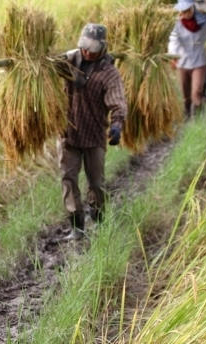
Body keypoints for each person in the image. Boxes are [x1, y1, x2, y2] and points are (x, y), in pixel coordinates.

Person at [58, 23, 127, 240]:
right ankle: (77, 226)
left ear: (103, 48)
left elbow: (118, 103)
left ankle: (98, 220)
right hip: (68, 134)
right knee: (68, 178)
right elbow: (43, 68)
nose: (88, 52)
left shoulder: (109, 72)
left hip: (95, 135)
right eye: (85, 47)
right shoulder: (67, 61)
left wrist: (116, 126)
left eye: (93, 48)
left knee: (96, 183)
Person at [168, 0, 206, 119]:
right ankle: (187, 115)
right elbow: (173, 40)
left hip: (200, 62)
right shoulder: (177, 24)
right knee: (185, 95)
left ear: (192, 8)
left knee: (197, 92)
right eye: (182, 11)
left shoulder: (204, 20)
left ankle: (198, 117)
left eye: (186, 11)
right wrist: (173, 56)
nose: (184, 14)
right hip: (183, 62)